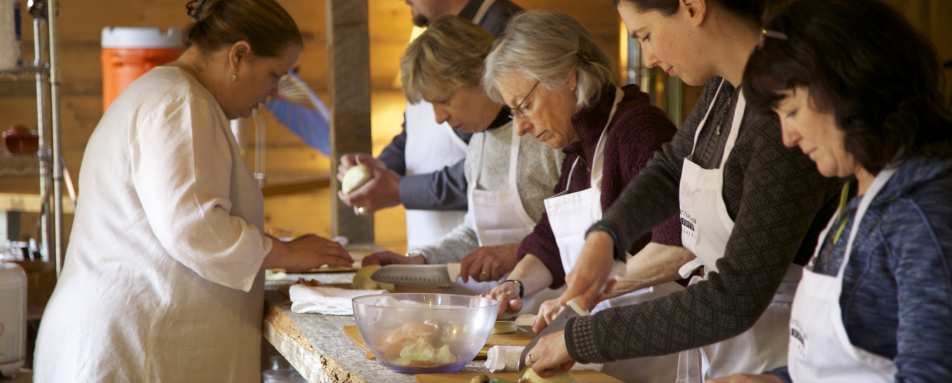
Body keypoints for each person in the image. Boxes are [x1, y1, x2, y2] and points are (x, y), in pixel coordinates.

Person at [521, 0, 842, 381]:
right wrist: (608, 235)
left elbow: (735, 298)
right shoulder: (723, 88)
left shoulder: (781, 122)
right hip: (725, 347)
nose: (649, 58)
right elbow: (672, 168)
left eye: (646, 35)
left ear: (692, 7)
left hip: (772, 346)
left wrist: (582, 339)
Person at [32, 1, 353, 381]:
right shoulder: (180, 103)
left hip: (132, 338)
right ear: (238, 55)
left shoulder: (174, 95)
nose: (271, 93)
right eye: (273, 75)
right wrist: (284, 252)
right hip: (133, 347)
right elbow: (193, 227)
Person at [709, 1, 952, 382]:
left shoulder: (921, 215)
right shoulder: (861, 197)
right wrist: (777, 380)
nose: (788, 139)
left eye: (790, 112)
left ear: (845, 87)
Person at [481, 11, 685, 382]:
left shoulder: (639, 131)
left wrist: (584, 296)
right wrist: (514, 285)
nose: (522, 127)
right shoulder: (579, 150)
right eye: (513, 114)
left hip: (657, 359)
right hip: (606, 356)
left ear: (565, 76)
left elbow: (680, 244)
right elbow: (548, 241)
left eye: (524, 106)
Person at [360, 16, 563, 289]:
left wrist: (514, 253)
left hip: (556, 310)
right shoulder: (479, 142)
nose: (439, 118)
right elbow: (474, 235)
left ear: (481, 76)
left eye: (444, 101)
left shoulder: (548, 136)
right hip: (508, 310)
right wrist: (419, 261)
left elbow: (583, 236)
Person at [336, 0, 522, 251]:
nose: (439, 117)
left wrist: (400, 189)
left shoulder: (507, 31)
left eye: (444, 101)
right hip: (444, 251)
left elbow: (491, 171)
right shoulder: (428, 46)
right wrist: (377, 170)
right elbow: (413, 132)